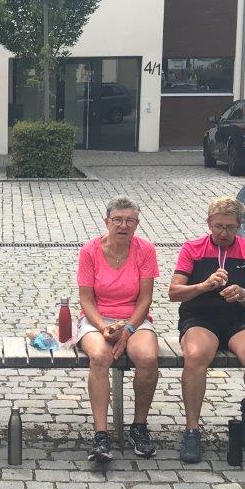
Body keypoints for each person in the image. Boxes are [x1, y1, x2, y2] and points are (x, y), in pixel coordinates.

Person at [168, 197, 245, 464]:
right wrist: (204, 286)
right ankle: (192, 429)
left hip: (237, 319)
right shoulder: (192, 248)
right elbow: (174, 293)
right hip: (199, 317)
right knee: (195, 356)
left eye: (229, 227)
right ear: (209, 224)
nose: (223, 233)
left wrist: (242, 294)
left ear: (239, 226)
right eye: (217, 227)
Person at [74, 196, 160, 466]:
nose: (123, 225)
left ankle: (139, 426)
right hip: (97, 318)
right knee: (100, 356)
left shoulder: (145, 249)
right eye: (118, 220)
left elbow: (145, 299)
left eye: (130, 221)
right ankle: (101, 434)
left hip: (134, 318)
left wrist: (128, 328)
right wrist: (103, 327)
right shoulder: (89, 251)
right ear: (106, 221)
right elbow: (86, 299)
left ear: (137, 224)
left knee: (147, 358)